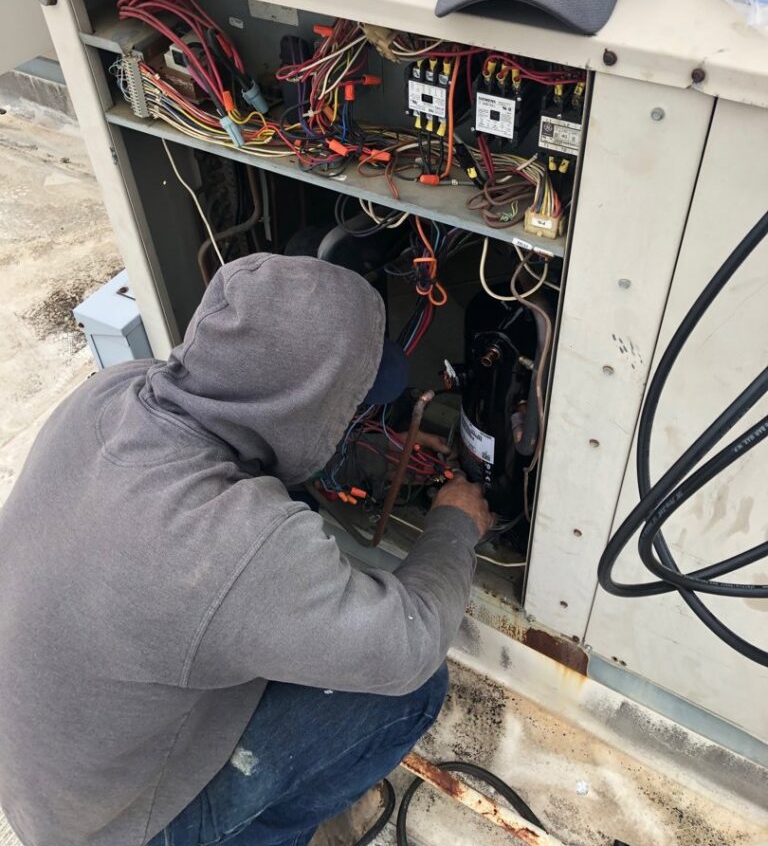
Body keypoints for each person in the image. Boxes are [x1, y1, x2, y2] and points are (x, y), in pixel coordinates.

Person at [0, 253, 490, 846]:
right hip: (114, 826)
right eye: (348, 404)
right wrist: (454, 526)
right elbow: (408, 644)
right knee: (414, 691)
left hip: (44, 770)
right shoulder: (234, 544)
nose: (354, 414)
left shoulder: (112, 392)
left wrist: (367, 446)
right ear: (300, 405)